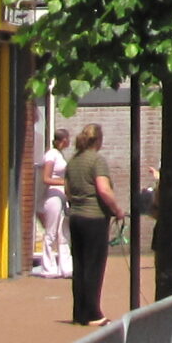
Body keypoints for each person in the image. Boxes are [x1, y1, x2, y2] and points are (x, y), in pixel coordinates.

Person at [64, 123, 125, 327]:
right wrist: (117, 210)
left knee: (79, 265)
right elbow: (104, 190)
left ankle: (79, 312)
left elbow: (68, 191)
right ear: (98, 140)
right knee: (94, 266)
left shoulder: (73, 161)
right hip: (94, 218)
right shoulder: (97, 161)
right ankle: (93, 313)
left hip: (76, 217)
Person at [36, 134, 72, 278]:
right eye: (66, 139)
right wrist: (65, 183)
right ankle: (48, 267)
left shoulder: (59, 155)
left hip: (61, 196)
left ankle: (66, 267)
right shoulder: (51, 154)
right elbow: (46, 178)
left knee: (63, 233)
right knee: (51, 233)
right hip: (53, 197)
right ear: (62, 141)